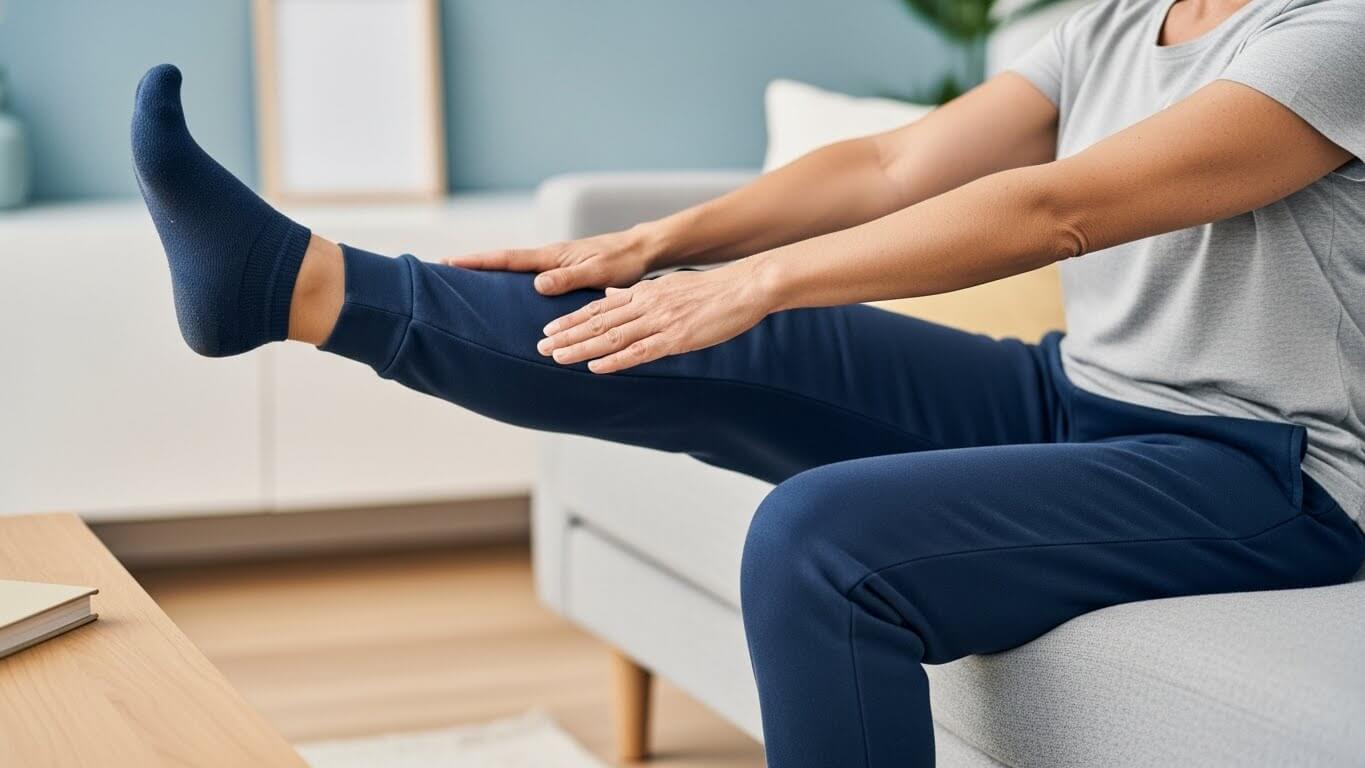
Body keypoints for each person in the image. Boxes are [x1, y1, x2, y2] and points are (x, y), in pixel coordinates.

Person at [129, 0, 1364, 764]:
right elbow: (891, 165)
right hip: (1075, 393)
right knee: (692, 331)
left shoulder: (1332, 36)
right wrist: (662, 243)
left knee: (822, 541)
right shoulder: (1117, 24)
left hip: (1268, 467)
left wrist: (762, 278)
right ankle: (292, 285)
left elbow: (1058, 211)